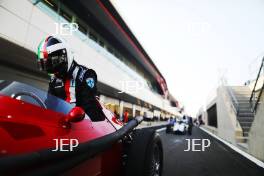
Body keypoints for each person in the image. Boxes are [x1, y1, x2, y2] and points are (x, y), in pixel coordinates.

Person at [36, 35, 104, 121]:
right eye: (47, 64)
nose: (50, 68)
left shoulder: (86, 74)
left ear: (65, 56)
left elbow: (89, 106)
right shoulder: (54, 80)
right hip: (61, 124)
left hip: (86, 126)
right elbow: (49, 104)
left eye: (54, 62)